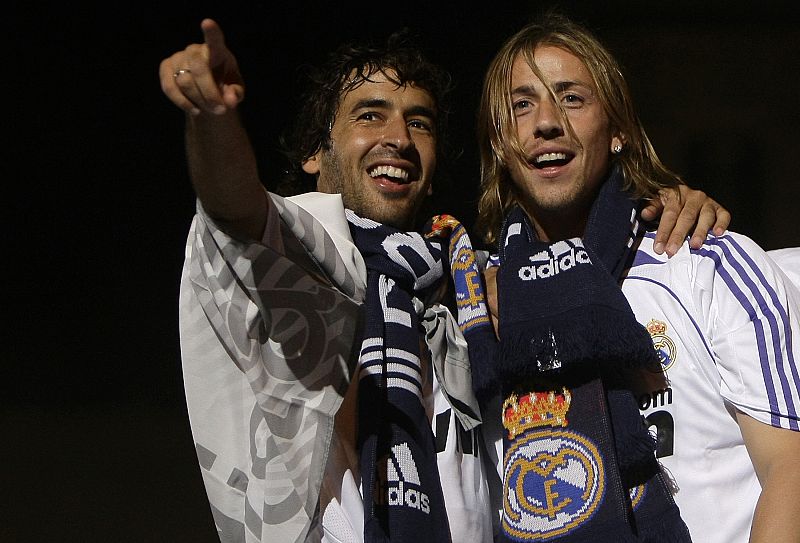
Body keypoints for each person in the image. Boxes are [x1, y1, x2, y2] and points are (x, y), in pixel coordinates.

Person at [159, 18, 732, 543]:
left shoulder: (467, 278)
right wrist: (211, 120)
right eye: (369, 114)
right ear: (315, 151)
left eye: (419, 122)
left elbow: (575, 261)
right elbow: (232, 206)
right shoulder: (298, 260)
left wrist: (655, 200)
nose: (398, 138)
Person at [472, 12, 800, 543]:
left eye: (572, 98)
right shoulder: (480, 306)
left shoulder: (704, 261)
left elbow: (791, 469)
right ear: (500, 142)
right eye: (520, 104)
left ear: (619, 130)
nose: (546, 122)